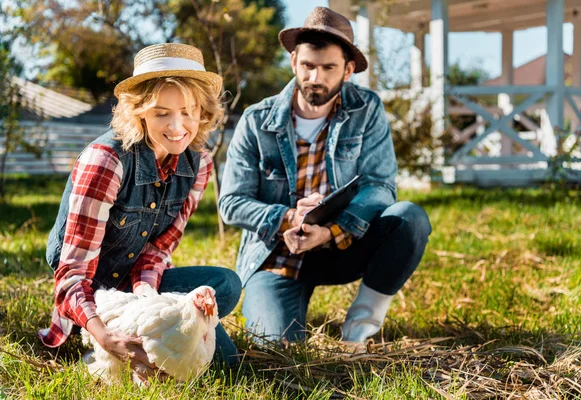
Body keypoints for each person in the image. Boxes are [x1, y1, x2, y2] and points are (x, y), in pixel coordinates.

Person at [219, 7, 432, 344]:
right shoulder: (255, 120)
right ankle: (284, 315)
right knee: (276, 347)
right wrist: (289, 217)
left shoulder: (367, 108)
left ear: (348, 70)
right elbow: (231, 203)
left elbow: (380, 186)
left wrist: (330, 230)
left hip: (342, 241)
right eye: (307, 66)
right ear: (293, 62)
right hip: (278, 253)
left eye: (328, 68)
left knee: (409, 218)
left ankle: (358, 332)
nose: (315, 78)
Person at [39, 43, 242, 371]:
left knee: (228, 287)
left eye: (188, 111)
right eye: (162, 113)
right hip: (95, 296)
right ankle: (93, 339)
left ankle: (146, 335)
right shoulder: (107, 161)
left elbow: (158, 249)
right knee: (209, 360)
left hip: (135, 288)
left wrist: (148, 302)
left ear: (203, 112)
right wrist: (106, 338)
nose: (177, 127)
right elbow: (72, 273)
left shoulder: (199, 163)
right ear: (139, 111)